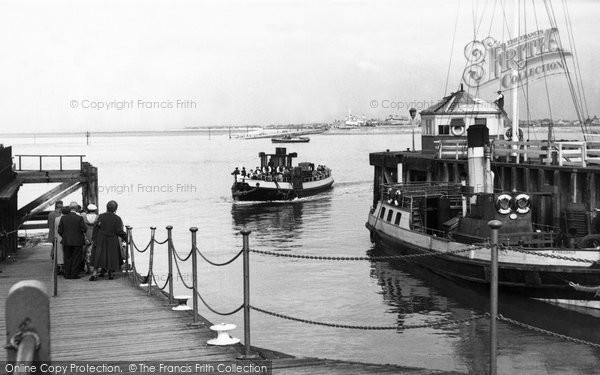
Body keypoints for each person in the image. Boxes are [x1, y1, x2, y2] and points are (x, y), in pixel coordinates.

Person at [89, 200, 127, 281]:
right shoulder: (117, 218)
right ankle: (110, 273)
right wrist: (127, 238)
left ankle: (94, 273)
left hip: (101, 238)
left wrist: (94, 238)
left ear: (107, 207)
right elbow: (119, 231)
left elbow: (96, 227)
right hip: (112, 239)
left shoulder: (101, 216)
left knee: (98, 255)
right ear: (115, 209)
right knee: (111, 256)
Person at [58, 202, 87, 279]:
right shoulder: (79, 218)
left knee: (67, 258)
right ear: (77, 208)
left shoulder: (63, 218)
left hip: (67, 241)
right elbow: (84, 229)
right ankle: (74, 274)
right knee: (76, 258)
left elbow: (60, 230)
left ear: (69, 208)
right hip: (77, 241)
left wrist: (64, 236)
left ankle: (67, 274)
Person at [83, 204, 99, 274]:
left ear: (88, 210)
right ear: (95, 210)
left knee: (86, 252)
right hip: (95, 236)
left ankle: (88, 268)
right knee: (96, 252)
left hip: (86, 235)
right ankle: (96, 269)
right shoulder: (98, 217)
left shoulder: (83, 217)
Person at [47, 200, 63, 268]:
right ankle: (58, 264)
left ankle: (54, 260)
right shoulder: (60, 215)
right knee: (59, 250)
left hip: (52, 234)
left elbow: (48, 225)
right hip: (58, 235)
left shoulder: (50, 214)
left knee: (54, 247)